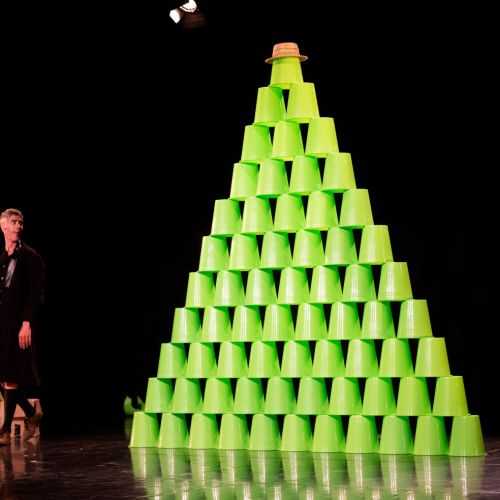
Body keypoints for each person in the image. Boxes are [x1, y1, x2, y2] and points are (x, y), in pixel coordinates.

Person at [0, 208, 45, 446]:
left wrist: (27, 323)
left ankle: (5, 431)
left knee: (11, 376)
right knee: (4, 376)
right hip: (1, 323)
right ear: (3, 225)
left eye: (21, 222)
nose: (18, 226)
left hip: (18, 326)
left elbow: (35, 295)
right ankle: (31, 413)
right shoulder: (1, 255)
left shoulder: (30, 256)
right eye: (14, 222)